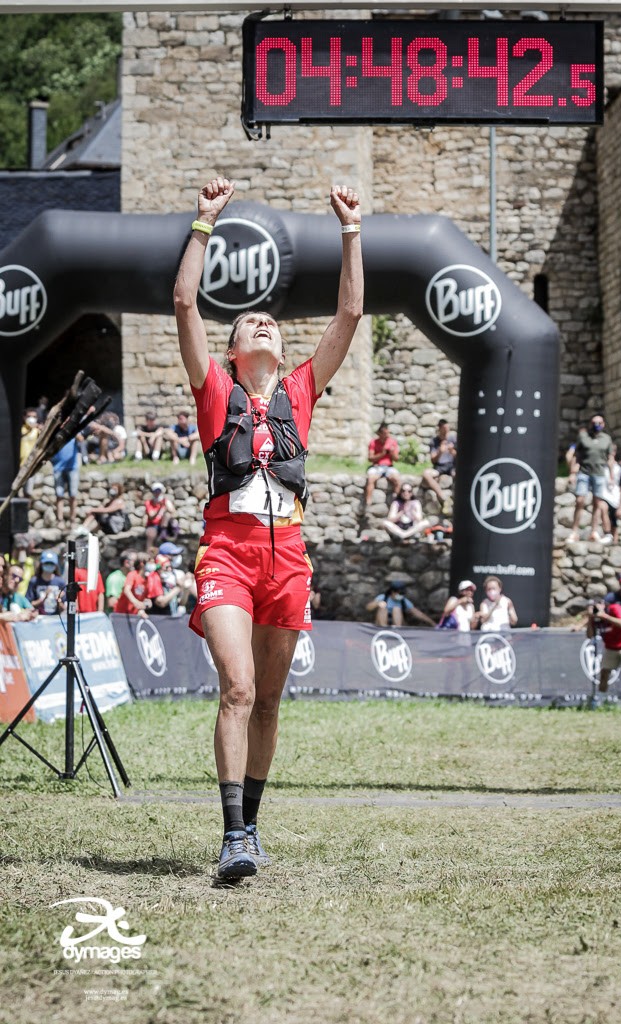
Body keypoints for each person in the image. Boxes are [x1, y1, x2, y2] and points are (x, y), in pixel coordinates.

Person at [173, 175, 363, 882]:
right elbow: (184, 301)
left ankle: (251, 823)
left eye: (272, 323)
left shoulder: (301, 391)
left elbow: (349, 312)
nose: (263, 322)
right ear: (228, 352)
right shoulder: (214, 390)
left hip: (289, 562)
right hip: (227, 552)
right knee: (239, 690)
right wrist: (204, 224)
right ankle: (230, 839)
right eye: (249, 322)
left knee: (272, 700)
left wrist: (350, 229)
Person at [587, 596, 621, 710]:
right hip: (611, 646)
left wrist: (604, 616)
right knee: (604, 672)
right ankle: (600, 701)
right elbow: (589, 635)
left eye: (597, 606)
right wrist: (590, 618)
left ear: (603, 604)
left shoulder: (615, 608)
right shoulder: (595, 618)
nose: (596, 609)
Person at [566, 413, 613, 544]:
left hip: (599, 474)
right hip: (584, 472)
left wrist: (611, 477)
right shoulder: (583, 437)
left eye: (599, 423)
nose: (596, 425)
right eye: (594, 422)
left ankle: (594, 531)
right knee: (580, 500)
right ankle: (574, 532)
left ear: (603, 424)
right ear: (590, 424)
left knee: (597, 504)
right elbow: (576, 455)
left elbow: (610, 458)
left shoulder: (607, 439)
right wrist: (572, 472)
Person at [366, 580, 435, 627]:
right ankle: (383, 629)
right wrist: (377, 603)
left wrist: (432, 623)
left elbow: (417, 613)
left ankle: (397, 630)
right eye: (399, 593)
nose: (401, 595)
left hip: (397, 623)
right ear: (393, 592)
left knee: (396, 609)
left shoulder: (404, 601)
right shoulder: (383, 597)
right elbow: (368, 607)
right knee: (383, 608)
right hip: (382, 623)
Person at [363, 423, 401, 506]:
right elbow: (370, 458)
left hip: (389, 467)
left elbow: (396, 459)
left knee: (397, 480)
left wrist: (391, 452)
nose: (387, 435)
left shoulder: (392, 442)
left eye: (388, 433)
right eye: (385, 433)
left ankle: (396, 503)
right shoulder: (373, 442)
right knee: (370, 479)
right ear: (380, 434)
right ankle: (368, 502)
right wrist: (382, 453)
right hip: (376, 466)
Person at [422, 419, 456, 508]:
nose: (446, 431)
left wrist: (452, 451)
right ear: (440, 429)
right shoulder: (434, 441)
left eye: (448, 429)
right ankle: (442, 497)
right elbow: (433, 460)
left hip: (452, 466)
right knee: (426, 474)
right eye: (444, 429)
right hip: (439, 467)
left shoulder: (453, 439)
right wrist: (440, 451)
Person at [50, 437, 80, 528]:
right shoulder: (56, 433)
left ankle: (73, 520)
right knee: (59, 495)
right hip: (58, 468)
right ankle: (60, 520)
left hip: (72, 468)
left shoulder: (74, 432)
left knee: (73, 495)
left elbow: (81, 438)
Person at [26, 550, 66, 615]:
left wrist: (58, 600)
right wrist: (44, 598)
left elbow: (63, 608)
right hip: (38, 618)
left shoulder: (61, 582)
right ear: (41, 564)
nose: (49, 565)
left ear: (56, 565)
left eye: (51, 563)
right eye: (47, 563)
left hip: (56, 619)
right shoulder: (34, 581)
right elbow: (28, 604)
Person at [144, 482, 178, 552]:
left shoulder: (166, 501)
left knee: (168, 516)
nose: (157, 493)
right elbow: (151, 517)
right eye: (155, 491)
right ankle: (149, 553)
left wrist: (166, 506)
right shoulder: (149, 503)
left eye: (159, 491)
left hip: (164, 526)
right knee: (151, 534)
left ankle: (164, 534)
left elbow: (173, 513)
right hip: (153, 525)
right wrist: (160, 507)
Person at [603, 445, 621, 543]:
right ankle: (607, 534)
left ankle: (615, 543)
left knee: (614, 521)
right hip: (604, 495)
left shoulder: (619, 468)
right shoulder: (602, 467)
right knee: (603, 509)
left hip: (615, 498)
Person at [19, 408, 41, 500]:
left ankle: (26, 512)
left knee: (28, 491)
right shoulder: (21, 429)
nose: (32, 419)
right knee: (17, 490)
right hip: (19, 465)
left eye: (34, 417)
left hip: (31, 464)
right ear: (24, 417)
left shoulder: (37, 431)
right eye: (29, 416)